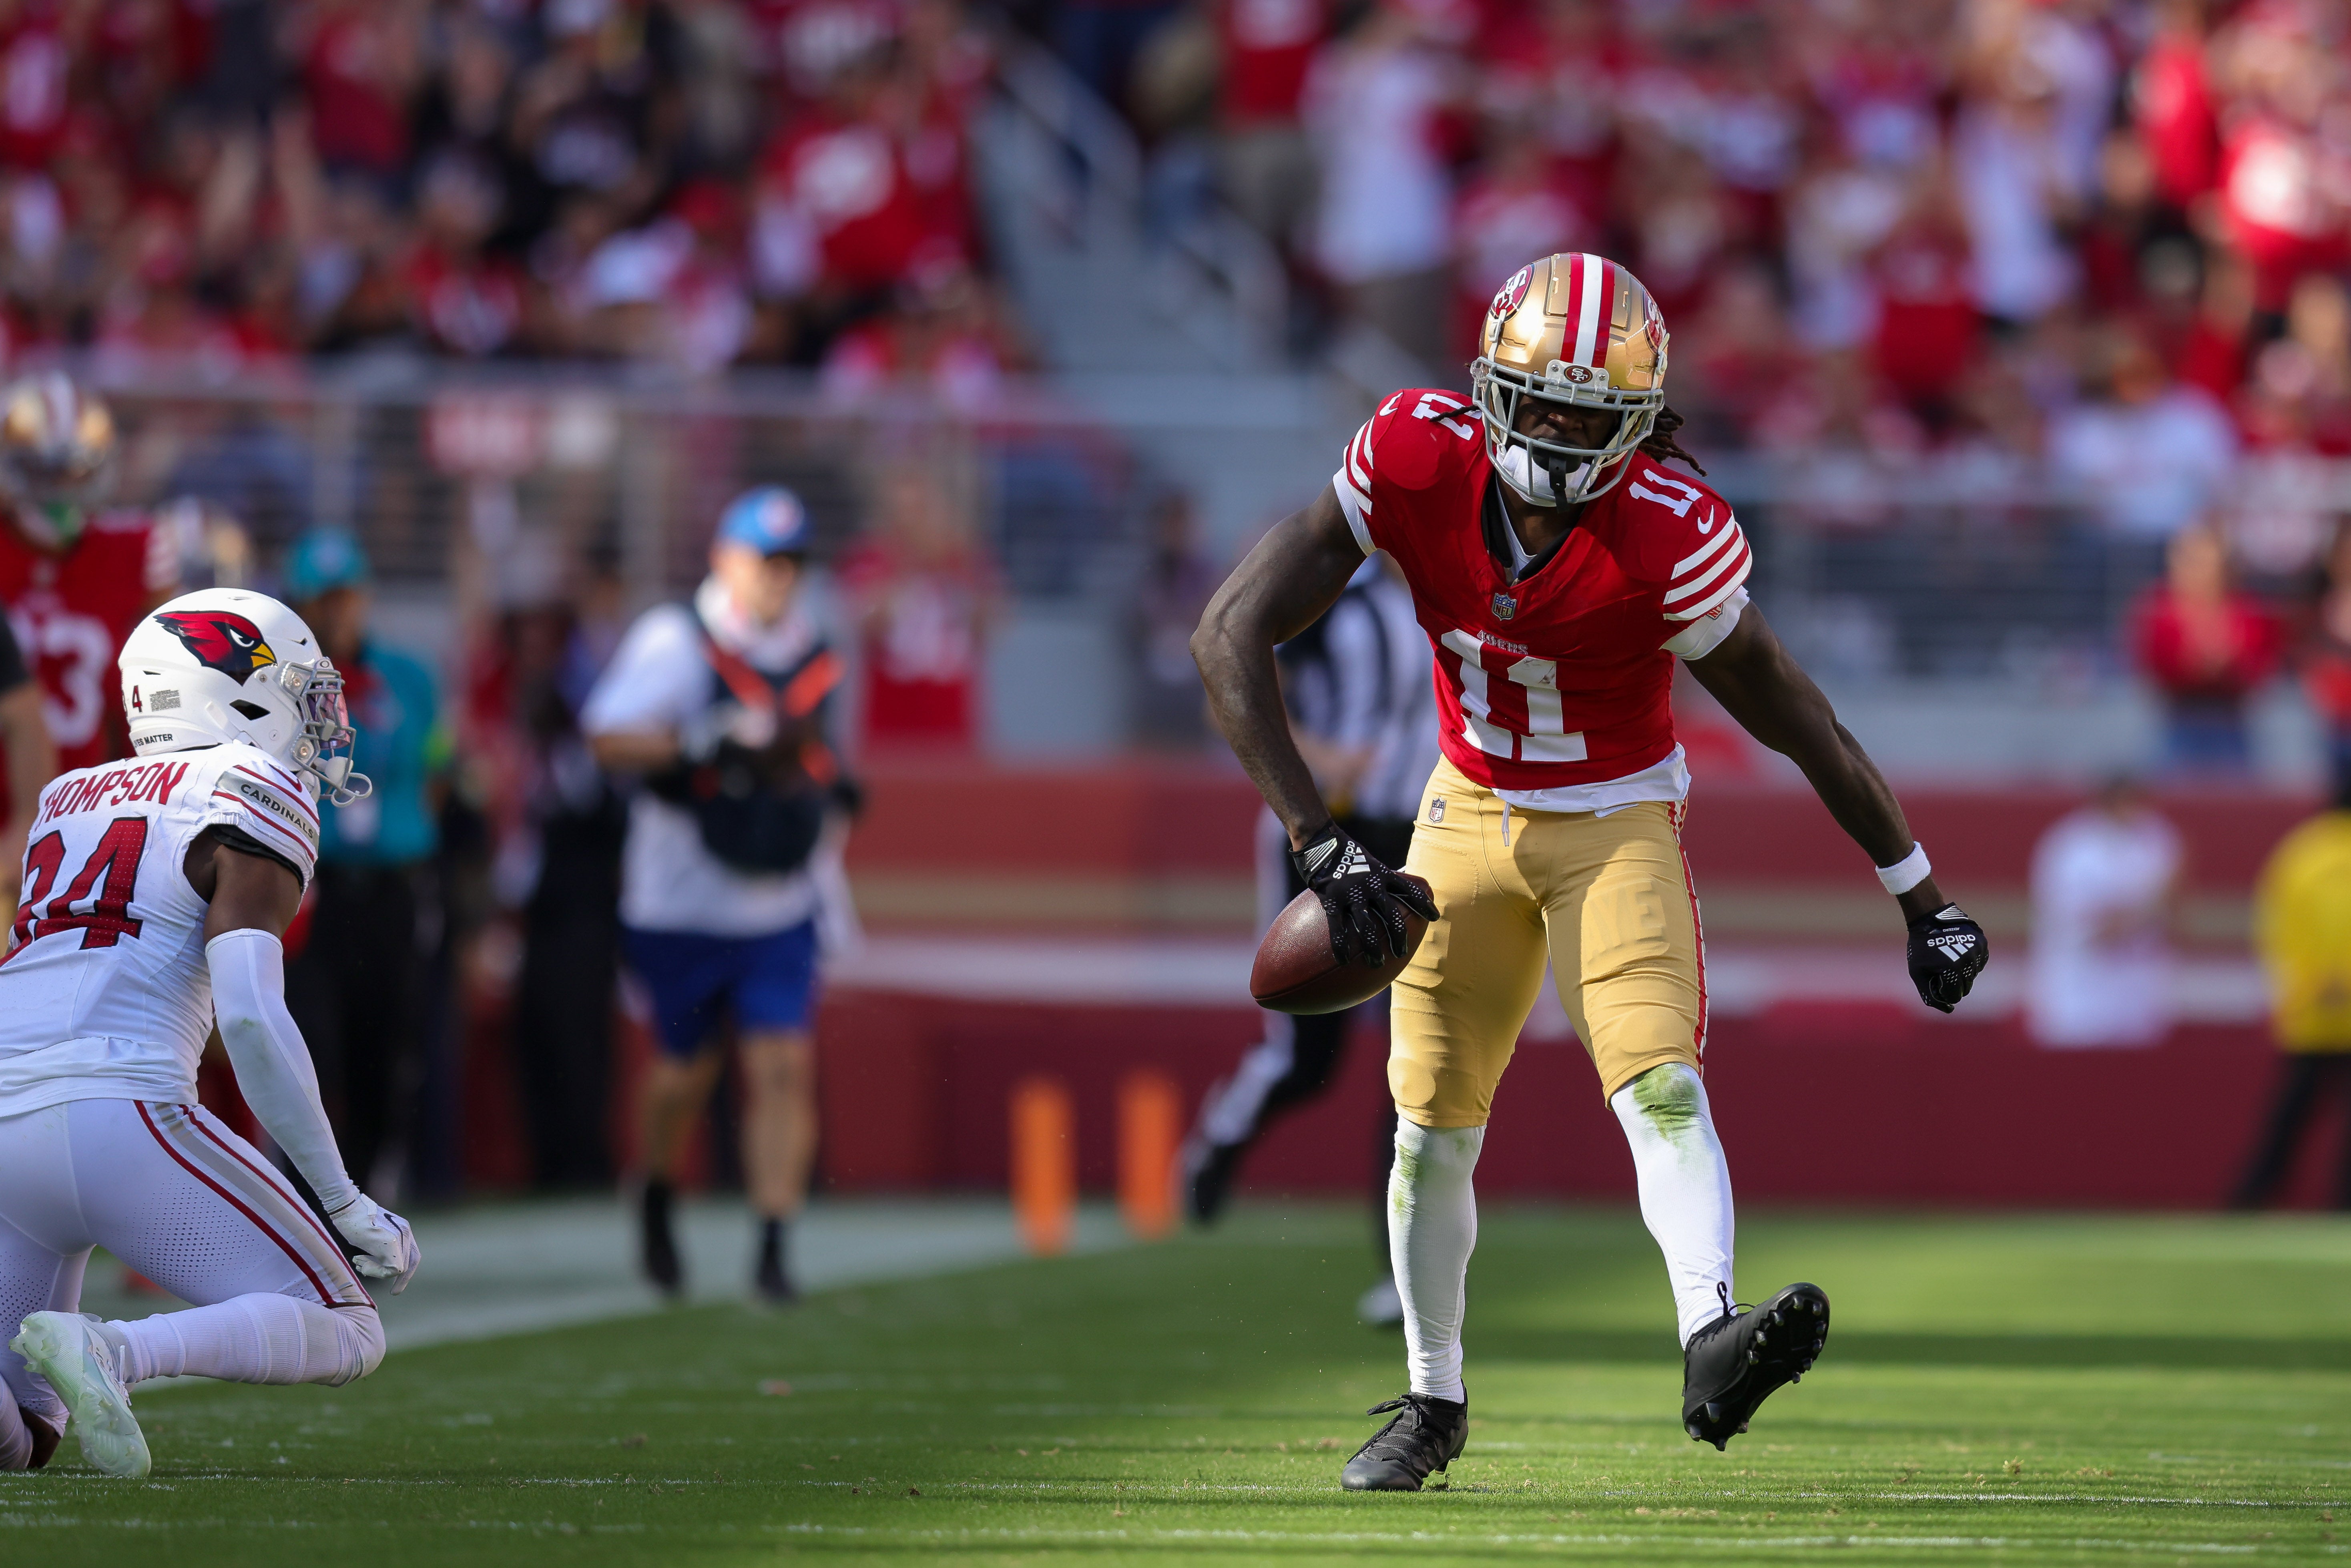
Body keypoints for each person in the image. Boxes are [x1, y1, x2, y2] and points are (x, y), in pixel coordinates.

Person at [1189, 252, 1990, 1491]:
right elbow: (1228, 627)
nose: (1556, 432)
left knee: (1655, 1080)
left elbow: (1796, 716)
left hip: (1612, 816)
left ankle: (1707, 1338)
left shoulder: (1668, 529)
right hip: (1461, 812)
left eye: (1586, 413)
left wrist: (1918, 892)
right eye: (1539, 403)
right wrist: (1319, 834)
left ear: (1640, 422)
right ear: (1488, 389)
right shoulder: (1412, 455)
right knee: (1425, 1130)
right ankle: (1429, 1397)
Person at [0, 588, 418, 1479]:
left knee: (24, 1432)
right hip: (124, 1111)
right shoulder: (249, 784)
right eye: (304, 692)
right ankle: (118, 1349)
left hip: (5, 1125)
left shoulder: (66, 794)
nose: (321, 718)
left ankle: (87, 1355)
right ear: (225, 690)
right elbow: (253, 1014)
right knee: (349, 1325)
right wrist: (343, 1199)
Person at [583, 487, 852, 1305]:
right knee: (683, 1076)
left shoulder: (816, 649)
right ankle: (657, 1186)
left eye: (792, 562)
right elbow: (606, 735)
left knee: (781, 1064)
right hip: (683, 897)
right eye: (766, 561)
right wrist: (706, 737)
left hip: (777, 896)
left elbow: (831, 763)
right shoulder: (676, 639)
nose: (779, 578)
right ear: (725, 559)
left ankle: (773, 1244)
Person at [1181, 550, 1435, 1327]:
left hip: (1412, 836)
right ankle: (1220, 1139)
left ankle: (1402, 1272)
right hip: (1320, 830)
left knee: (1414, 1063)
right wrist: (1320, 760)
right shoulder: (1334, 593)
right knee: (1306, 1059)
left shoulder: (1457, 580)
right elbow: (1227, 683)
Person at [279, 530, 448, 1203]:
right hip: (314, 890)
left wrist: (407, 838)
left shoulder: (407, 677)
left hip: (391, 890)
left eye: (346, 596)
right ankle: (304, 1206)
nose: (336, 612)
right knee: (310, 1050)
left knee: (385, 1048)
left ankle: (361, 1198)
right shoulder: (279, 686)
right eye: (323, 599)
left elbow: (435, 770)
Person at [0, 374, 178, 805]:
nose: (62, 489)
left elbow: (170, 693)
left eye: (77, 470)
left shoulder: (135, 551)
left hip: (89, 806)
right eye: (45, 471)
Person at [2232, 768, 2351, 1209]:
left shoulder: (2300, 853)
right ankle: (2341, 1206)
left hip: (2310, 1009)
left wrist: (2307, 983)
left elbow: (2278, 927)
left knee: (2289, 1115)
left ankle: (2250, 1199)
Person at [2026, 777, 2183, 1049]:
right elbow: (2102, 930)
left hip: (2139, 998)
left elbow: (2176, 916)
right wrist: (2151, 909)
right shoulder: (2072, 848)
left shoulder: (2156, 837)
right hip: (2079, 1000)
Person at [2129, 522, 2283, 773]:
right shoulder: (2158, 610)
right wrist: (2192, 668)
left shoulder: (2247, 610)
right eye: (2193, 561)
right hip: (2179, 721)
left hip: (2231, 722)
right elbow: (2152, 664)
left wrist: (2229, 669)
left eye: (2210, 563)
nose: (2202, 571)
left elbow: (2262, 664)